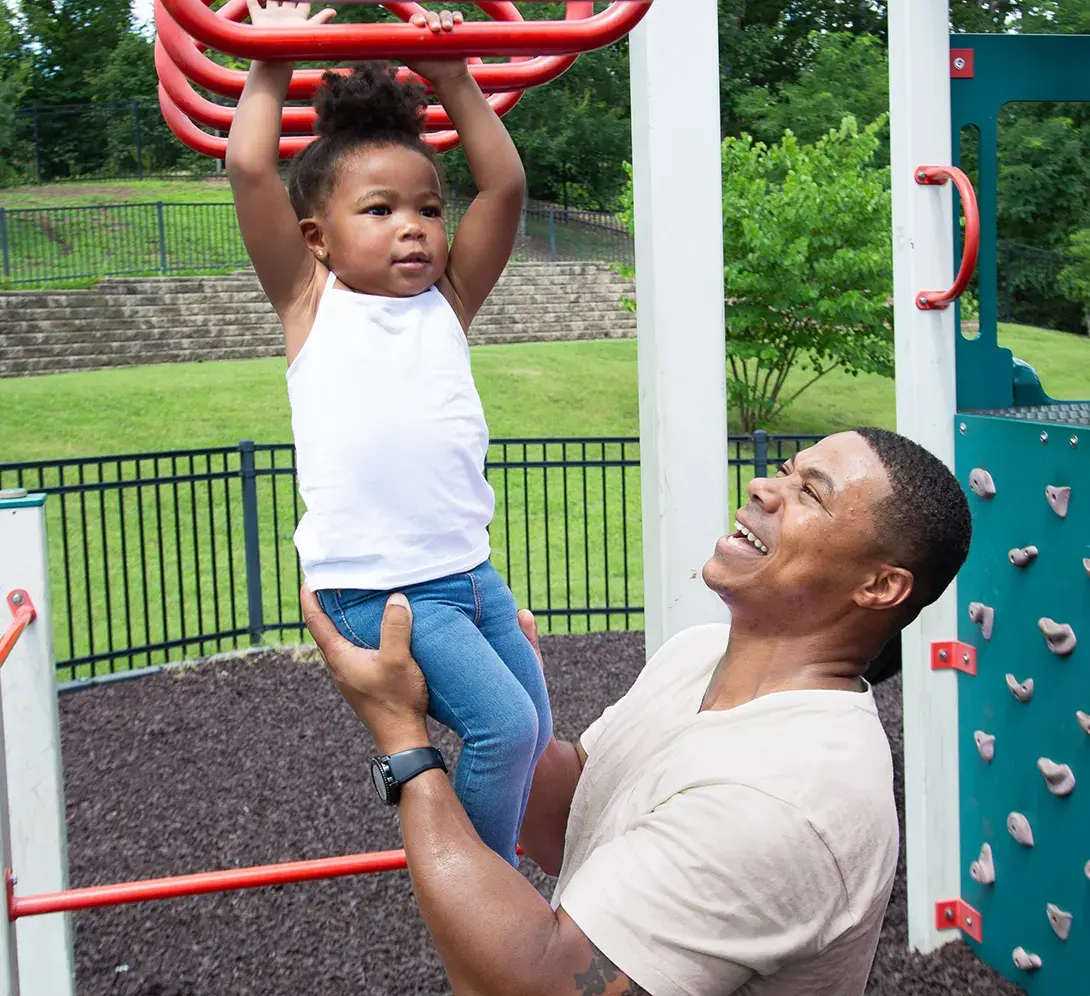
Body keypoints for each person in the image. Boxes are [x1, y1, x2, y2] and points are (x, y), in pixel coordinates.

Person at [301, 427, 974, 996]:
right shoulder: (699, 654)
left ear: (881, 585)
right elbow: (568, 823)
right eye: (787, 470)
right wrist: (513, 713)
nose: (765, 487)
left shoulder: (790, 799)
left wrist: (404, 743)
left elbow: (538, 981)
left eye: (810, 493)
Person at [226, 4, 550, 867]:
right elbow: (250, 167)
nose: (413, 225)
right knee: (507, 732)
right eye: (379, 210)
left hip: (470, 573)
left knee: (537, 727)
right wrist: (271, 56)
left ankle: (492, 859)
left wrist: (453, 79)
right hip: (381, 588)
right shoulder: (312, 303)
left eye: (428, 208)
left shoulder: (448, 301)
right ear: (317, 240)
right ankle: (489, 898)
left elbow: (506, 189)